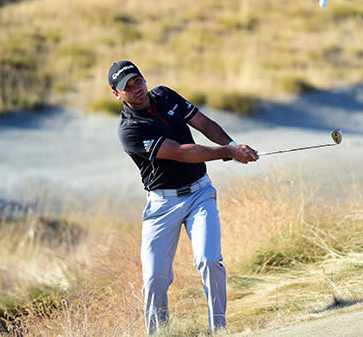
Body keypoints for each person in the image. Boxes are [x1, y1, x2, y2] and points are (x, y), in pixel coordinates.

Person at [108, 60, 259, 334]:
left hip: (200, 193)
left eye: (138, 81)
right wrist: (227, 153)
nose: (136, 89)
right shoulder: (129, 130)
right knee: (155, 278)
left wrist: (234, 147)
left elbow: (203, 122)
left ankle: (219, 330)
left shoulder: (165, 95)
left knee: (209, 260)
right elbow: (181, 152)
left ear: (144, 79)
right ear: (116, 93)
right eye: (127, 88)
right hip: (162, 205)